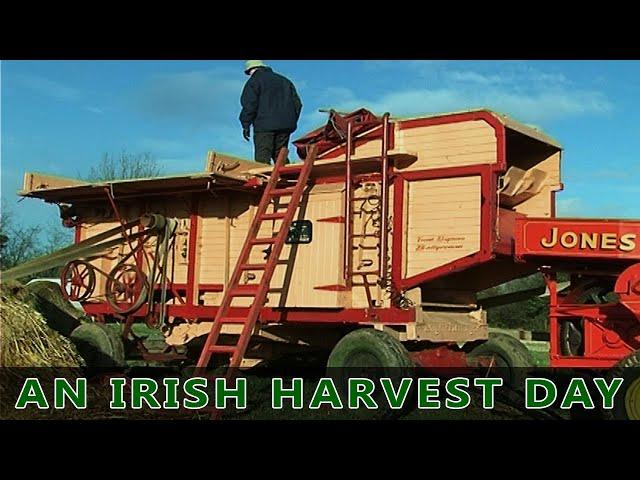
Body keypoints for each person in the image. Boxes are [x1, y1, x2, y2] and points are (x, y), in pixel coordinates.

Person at [239, 60, 302, 165]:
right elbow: (298, 105)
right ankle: (286, 179)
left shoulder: (254, 81)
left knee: (262, 159)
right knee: (281, 157)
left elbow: (249, 105)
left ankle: (265, 180)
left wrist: (245, 125)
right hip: (285, 127)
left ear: (251, 70)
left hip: (264, 127)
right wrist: (290, 121)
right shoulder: (285, 81)